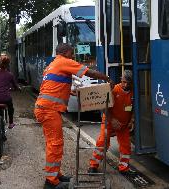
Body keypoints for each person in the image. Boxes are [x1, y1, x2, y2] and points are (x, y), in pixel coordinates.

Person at [34, 43, 114, 189]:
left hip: (44, 108)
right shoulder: (64, 61)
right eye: (71, 53)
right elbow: (89, 72)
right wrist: (106, 78)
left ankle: (56, 174)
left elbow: (54, 86)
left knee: (51, 143)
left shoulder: (52, 65)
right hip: (49, 110)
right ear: (65, 52)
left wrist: (71, 92)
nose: (73, 56)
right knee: (55, 144)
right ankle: (51, 181)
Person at [88, 70, 134, 175]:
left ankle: (124, 168)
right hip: (109, 121)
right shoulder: (114, 90)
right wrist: (112, 120)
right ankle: (93, 165)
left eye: (128, 83)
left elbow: (133, 108)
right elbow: (104, 107)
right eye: (123, 82)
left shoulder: (133, 92)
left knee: (125, 145)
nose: (125, 85)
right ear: (121, 80)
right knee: (102, 142)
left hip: (123, 124)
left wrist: (132, 120)